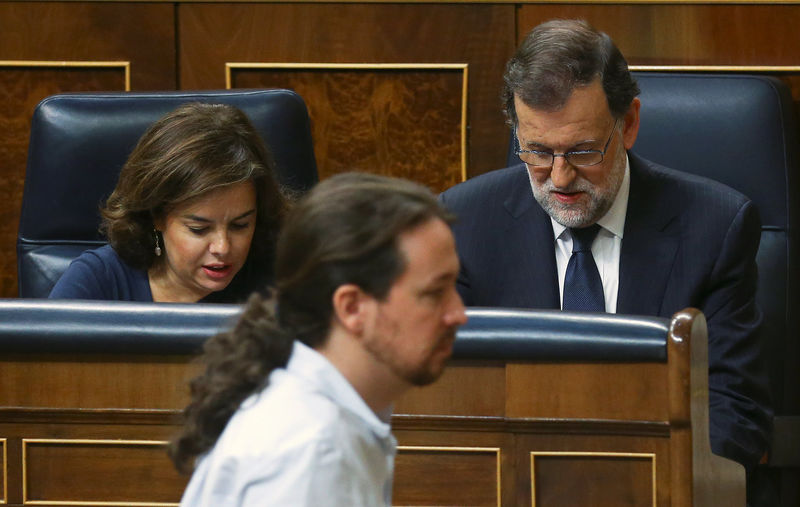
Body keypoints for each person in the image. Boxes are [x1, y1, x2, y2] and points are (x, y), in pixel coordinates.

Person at [439, 18, 772, 503]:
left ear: (629, 123)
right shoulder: (464, 223)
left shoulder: (714, 226)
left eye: (582, 150)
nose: (560, 177)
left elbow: (732, 410)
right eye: (536, 151)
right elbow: (450, 400)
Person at [169, 172, 467, 506]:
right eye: (434, 293)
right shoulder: (312, 451)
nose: (459, 314)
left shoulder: (321, 420)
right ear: (352, 307)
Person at [48, 102, 288, 303]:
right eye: (199, 229)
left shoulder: (284, 283)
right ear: (157, 215)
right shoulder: (96, 281)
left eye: (240, 225)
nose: (223, 247)